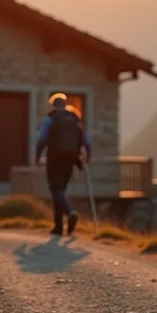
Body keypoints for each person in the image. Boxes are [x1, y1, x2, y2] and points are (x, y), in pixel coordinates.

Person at [35, 93, 91, 235]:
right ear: (65, 104)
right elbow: (86, 140)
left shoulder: (50, 119)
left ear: (53, 105)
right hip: (71, 158)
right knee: (60, 190)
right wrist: (88, 155)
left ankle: (69, 212)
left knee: (56, 189)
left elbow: (42, 138)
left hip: (55, 157)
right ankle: (58, 228)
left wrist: (37, 156)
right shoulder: (74, 118)